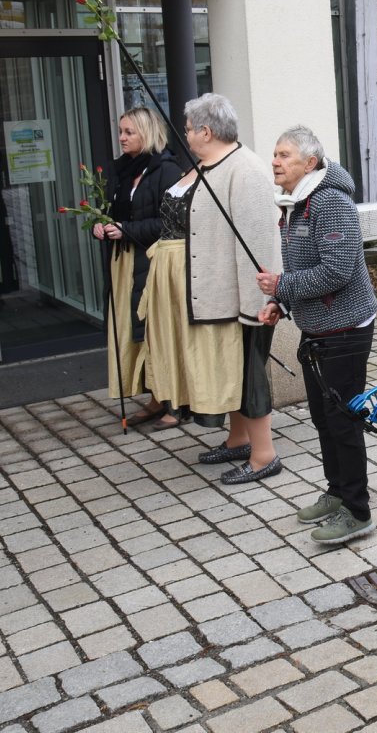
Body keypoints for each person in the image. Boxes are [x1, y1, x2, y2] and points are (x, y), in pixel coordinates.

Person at [137, 93, 282, 484]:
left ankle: (264, 455)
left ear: (205, 130)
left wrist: (261, 305)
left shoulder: (244, 170)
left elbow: (259, 245)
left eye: (187, 129)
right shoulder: (209, 165)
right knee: (226, 372)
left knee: (248, 373)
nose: (184, 135)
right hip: (210, 293)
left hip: (241, 298)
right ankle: (238, 440)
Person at [255, 126, 377, 544]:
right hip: (318, 327)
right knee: (323, 419)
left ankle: (358, 511)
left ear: (309, 163)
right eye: (275, 153)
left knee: (344, 421)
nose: (275, 161)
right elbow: (308, 270)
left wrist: (281, 287)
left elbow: (337, 271)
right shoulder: (294, 203)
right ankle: (337, 492)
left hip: (346, 328)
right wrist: (282, 304)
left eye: (284, 155)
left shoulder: (329, 202)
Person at [93, 107, 182, 426]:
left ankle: (174, 402)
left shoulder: (166, 170)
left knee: (157, 330)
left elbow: (172, 223)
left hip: (153, 262)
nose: (122, 137)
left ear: (146, 132)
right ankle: (155, 397)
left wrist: (128, 230)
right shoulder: (121, 170)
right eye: (121, 131)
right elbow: (115, 212)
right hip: (126, 263)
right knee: (135, 332)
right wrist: (101, 225)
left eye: (129, 132)